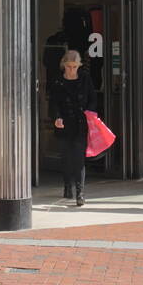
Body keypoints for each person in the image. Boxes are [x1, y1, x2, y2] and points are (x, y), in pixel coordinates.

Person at [48, 49, 96, 206]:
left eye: (75, 66)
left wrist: (90, 112)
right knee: (66, 158)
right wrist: (56, 117)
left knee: (79, 159)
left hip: (80, 123)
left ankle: (80, 193)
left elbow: (92, 99)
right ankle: (67, 185)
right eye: (69, 66)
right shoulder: (57, 81)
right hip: (64, 124)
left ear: (79, 65)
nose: (72, 69)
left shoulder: (85, 79)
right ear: (64, 65)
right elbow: (53, 103)